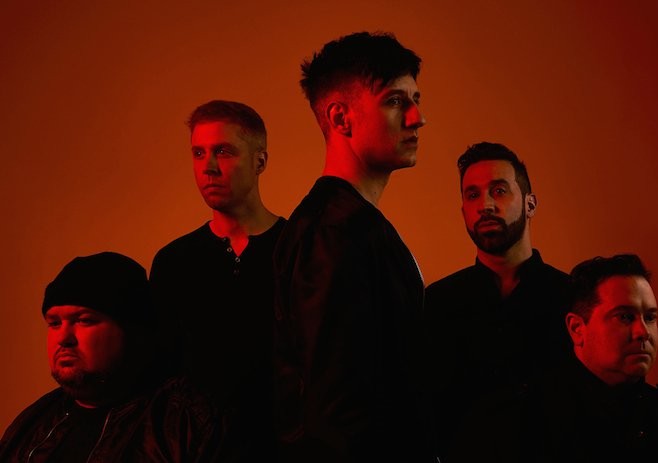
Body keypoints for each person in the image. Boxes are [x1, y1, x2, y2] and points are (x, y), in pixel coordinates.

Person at [273, 31, 432, 462]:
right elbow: (334, 412)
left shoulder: (350, 225)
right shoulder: (334, 232)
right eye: (395, 101)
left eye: (416, 99)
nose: (417, 117)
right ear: (341, 118)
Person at [149, 100, 285, 460]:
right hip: (198, 453)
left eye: (223, 152)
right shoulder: (174, 261)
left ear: (260, 161)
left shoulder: (297, 250)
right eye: (198, 153)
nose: (208, 167)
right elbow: (161, 372)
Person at [0, 252, 224, 462]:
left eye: (84, 320)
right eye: (54, 323)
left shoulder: (187, 422)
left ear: (132, 331)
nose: (63, 338)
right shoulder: (32, 424)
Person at [423, 142, 571, 460]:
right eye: (472, 195)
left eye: (499, 191)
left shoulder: (574, 298)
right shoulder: (436, 303)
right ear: (463, 211)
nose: (485, 205)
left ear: (530, 204)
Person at [532, 253, 658, 462]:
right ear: (577, 328)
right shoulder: (531, 420)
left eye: (650, 317)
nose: (643, 332)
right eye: (625, 317)